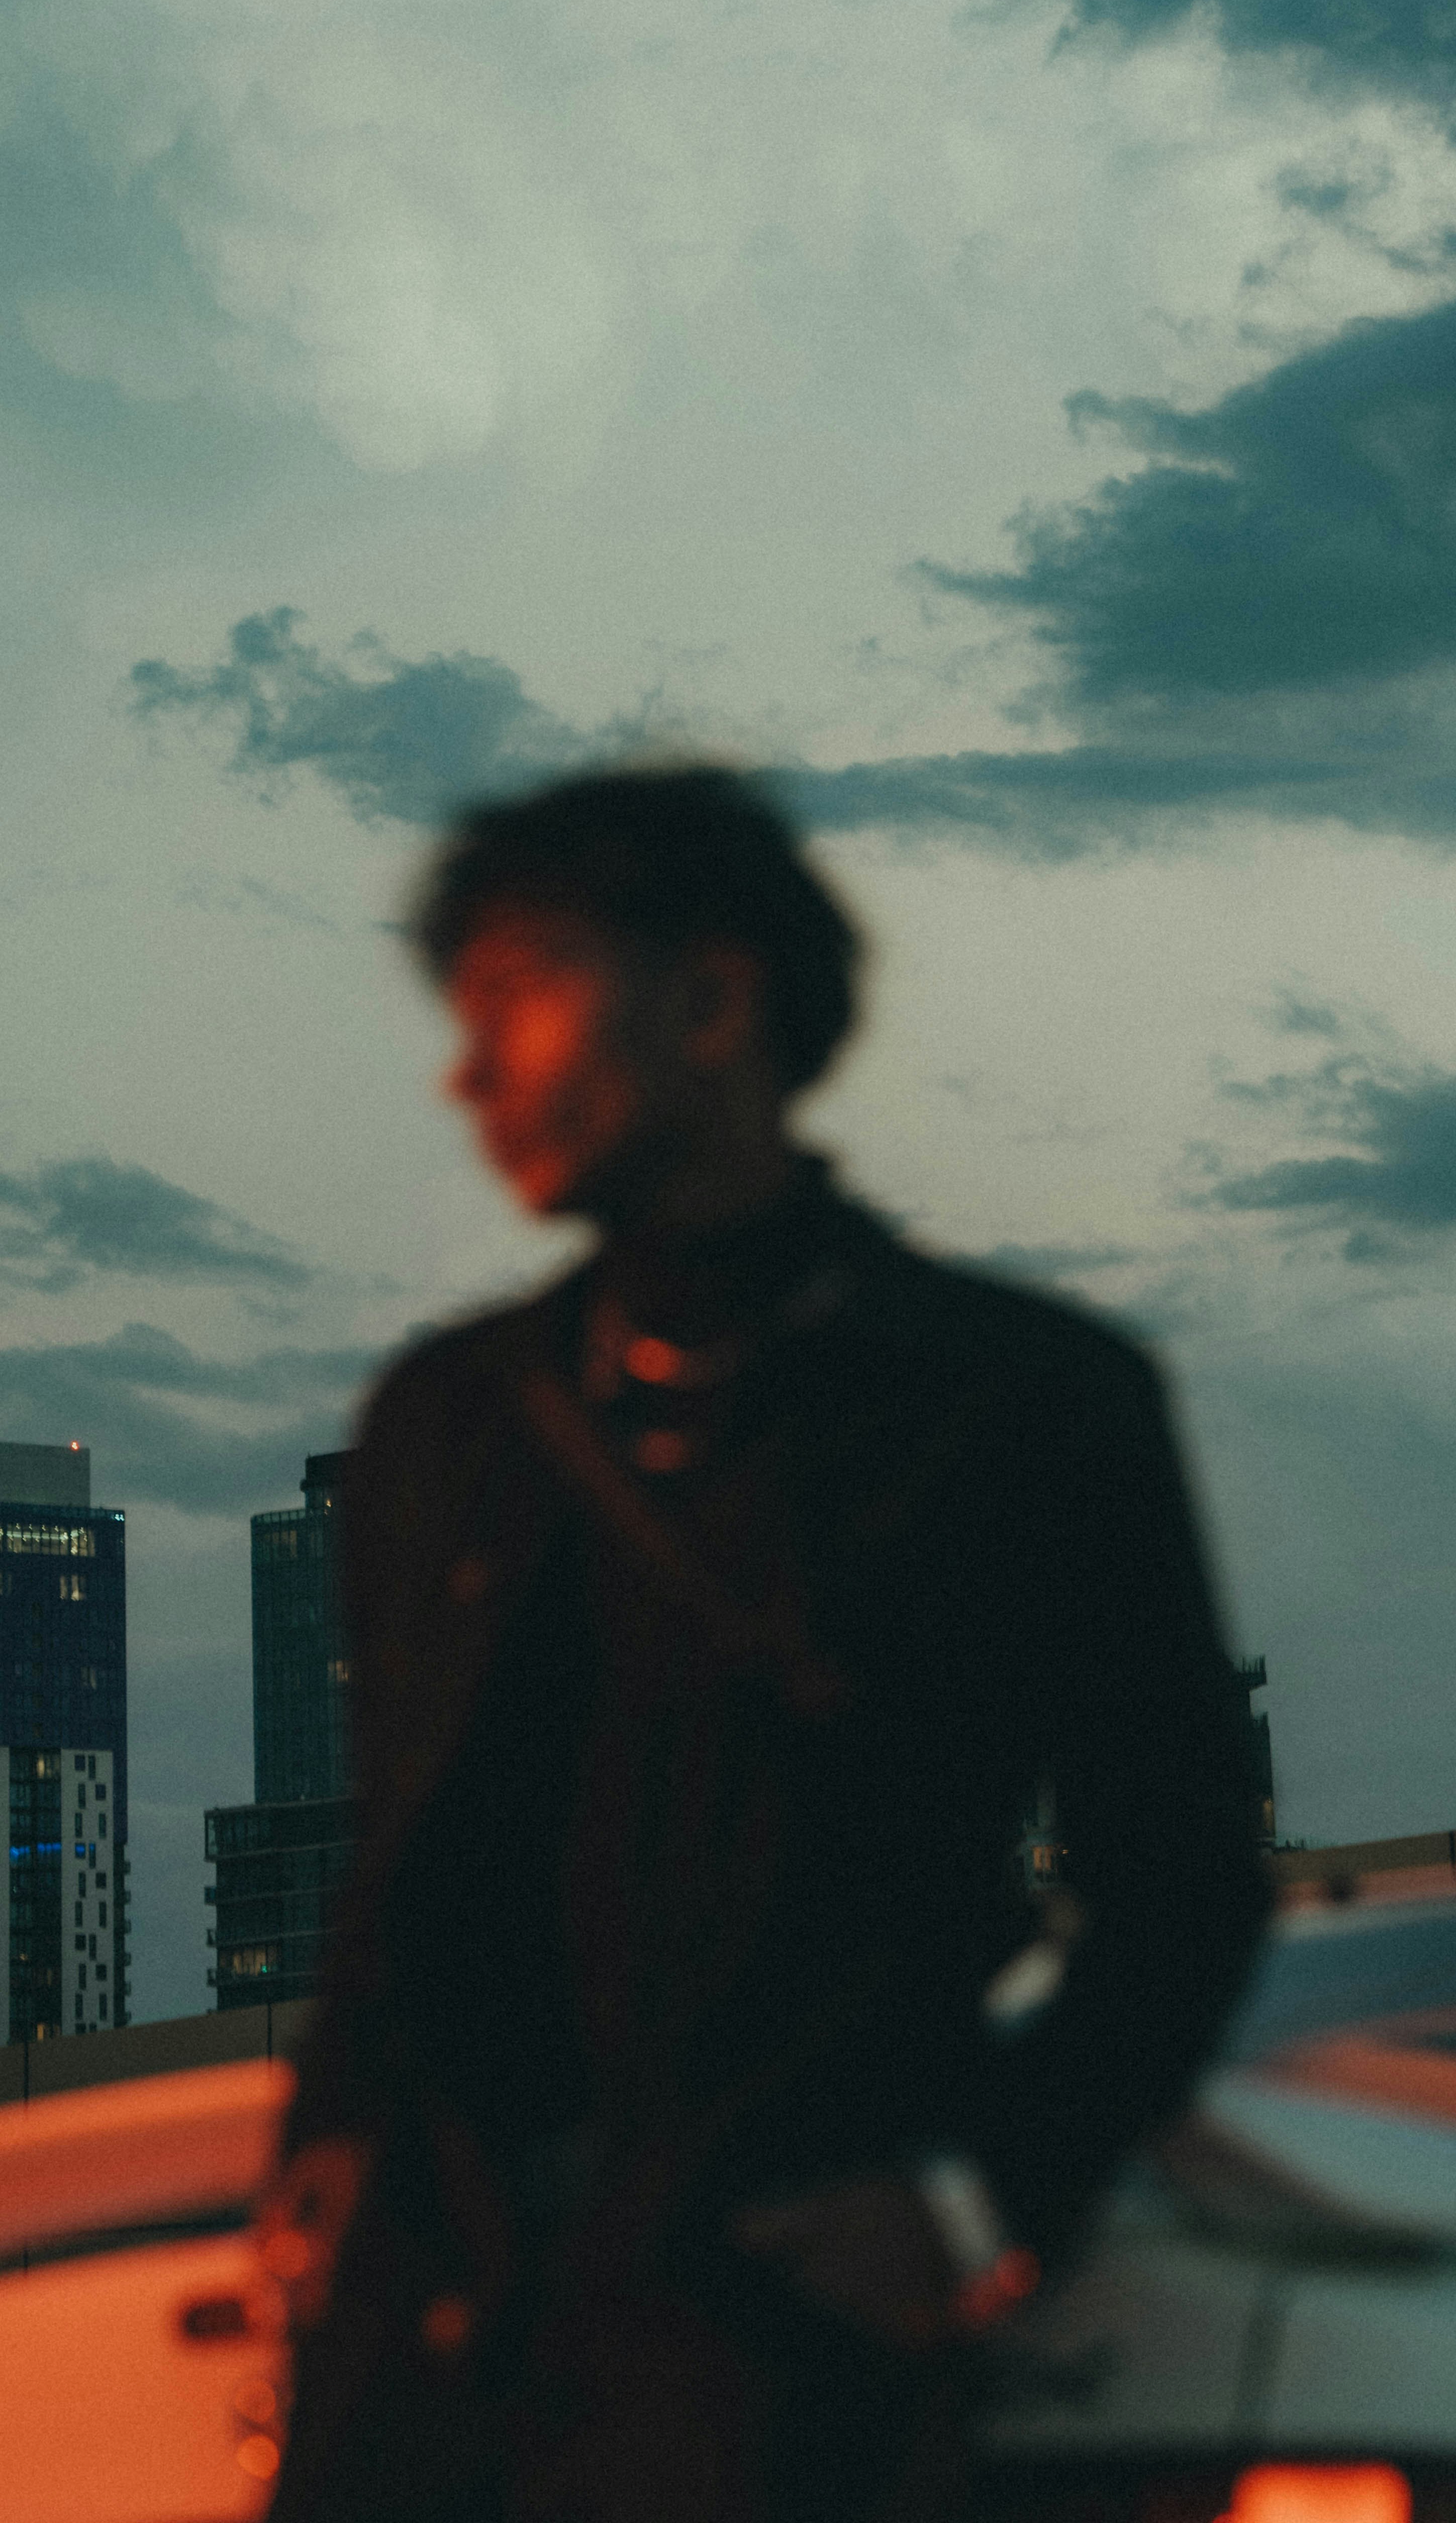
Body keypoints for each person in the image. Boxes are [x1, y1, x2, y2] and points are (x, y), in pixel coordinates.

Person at [257, 763, 1271, 2523]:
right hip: (421, 2331)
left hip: (767, 2332)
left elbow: (1180, 1877)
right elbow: (399, 1872)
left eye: (513, 997)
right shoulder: (446, 1424)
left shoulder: (1022, 1404)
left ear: (716, 1001)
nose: (466, 1073)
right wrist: (324, 2152)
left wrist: (972, 2207)